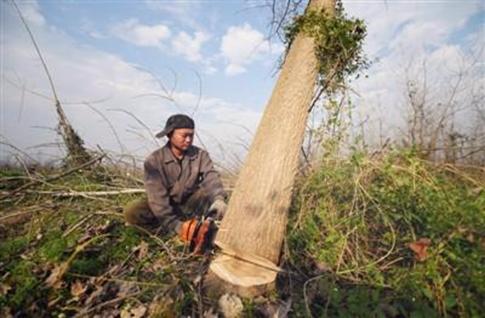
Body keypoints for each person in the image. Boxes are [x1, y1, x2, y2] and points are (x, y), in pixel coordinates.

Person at [124, 114, 227, 251]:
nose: (189, 139)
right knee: (133, 211)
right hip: (165, 208)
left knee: (211, 196)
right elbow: (158, 201)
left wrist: (219, 199)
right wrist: (176, 226)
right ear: (169, 135)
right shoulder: (154, 160)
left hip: (190, 204)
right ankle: (170, 232)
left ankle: (201, 228)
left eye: (191, 135)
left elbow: (211, 177)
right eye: (184, 135)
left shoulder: (201, 155)